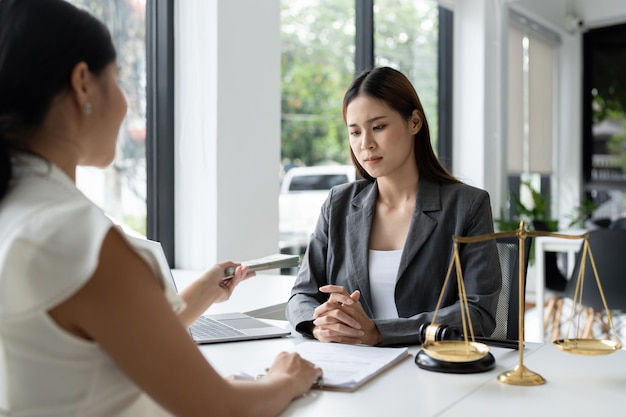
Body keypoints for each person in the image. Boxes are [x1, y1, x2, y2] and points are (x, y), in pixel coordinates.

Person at [0, 1, 321, 416]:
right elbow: (219, 408)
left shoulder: (18, 212)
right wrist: (287, 379)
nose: (126, 102)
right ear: (82, 83)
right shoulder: (76, 236)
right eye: (118, 80)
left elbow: (79, 338)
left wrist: (198, 297)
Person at [286, 66, 502, 347]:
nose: (366, 144)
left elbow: (478, 312)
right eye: (354, 132)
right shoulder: (338, 204)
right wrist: (319, 326)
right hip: (350, 364)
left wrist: (380, 332)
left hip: (429, 366)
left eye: (378, 127)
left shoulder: (467, 205)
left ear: (414, 122)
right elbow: (301, 295)